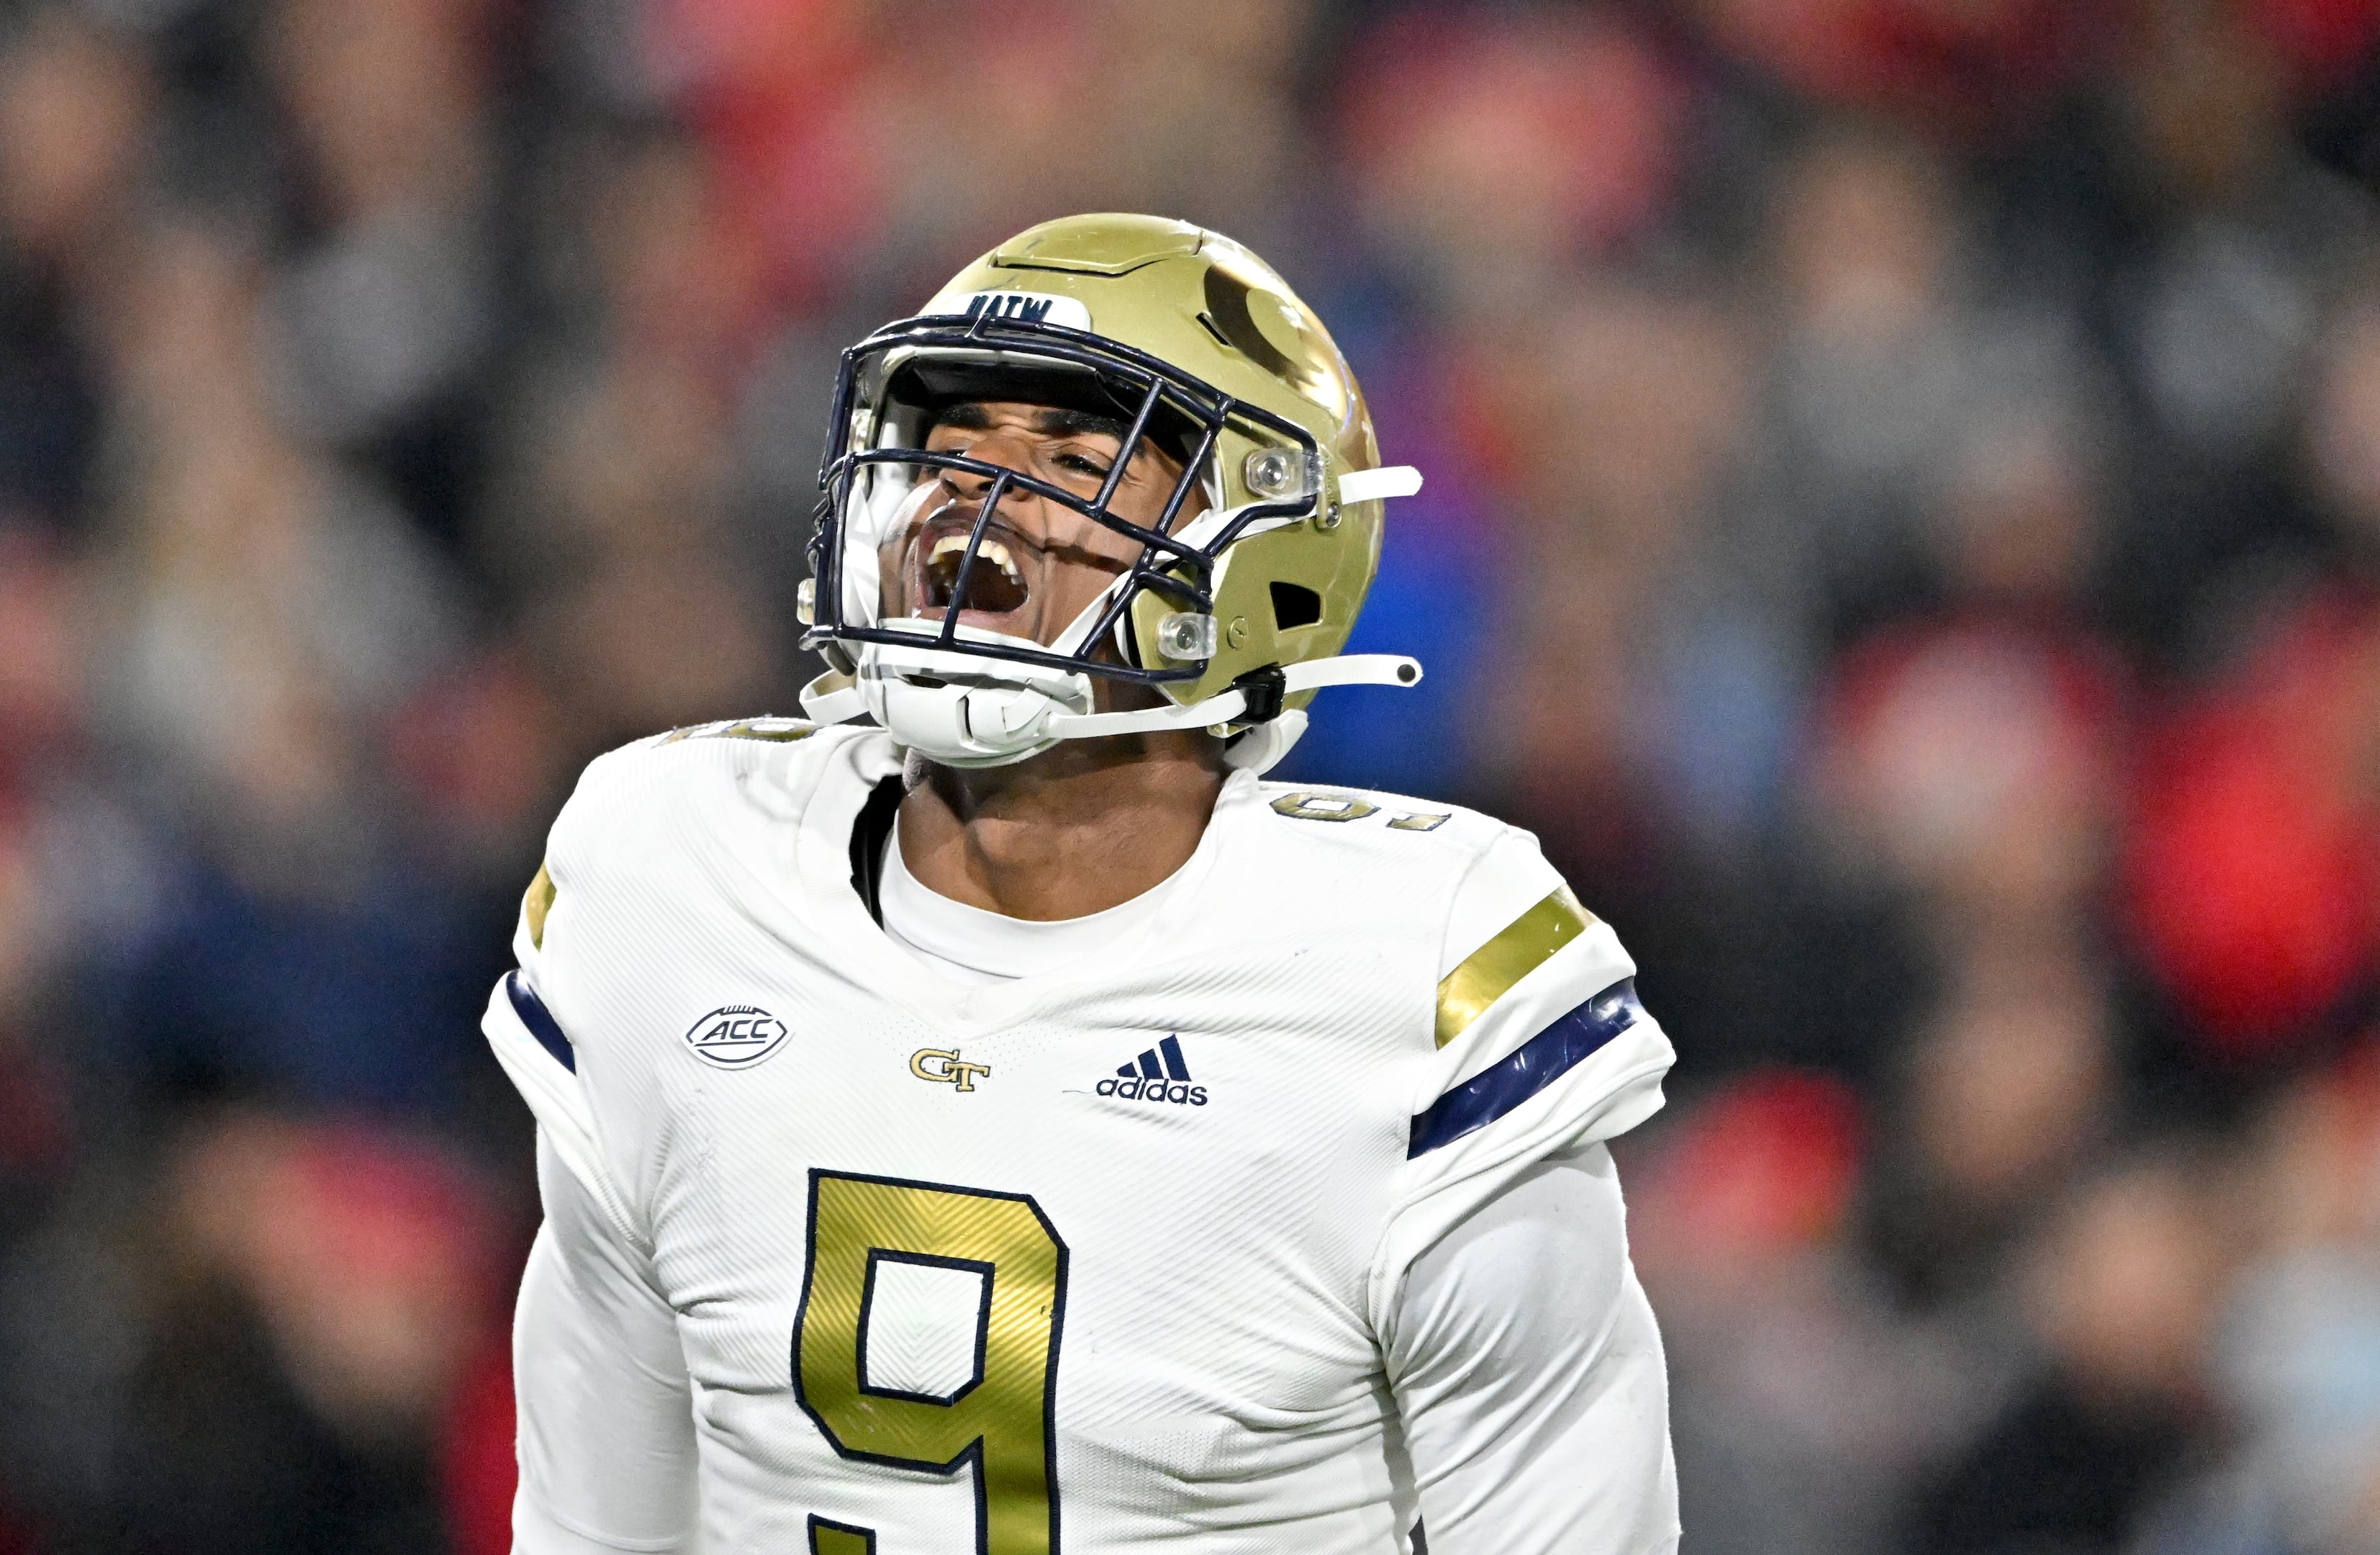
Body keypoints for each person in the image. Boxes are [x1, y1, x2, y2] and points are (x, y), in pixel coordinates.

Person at [484, 214, 1679, 1553]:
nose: (975, 500)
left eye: (1071, 459)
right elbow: (596, 1524)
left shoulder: (1412, 974)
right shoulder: (674, 867)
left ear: (1261, 561)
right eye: (950, 446)